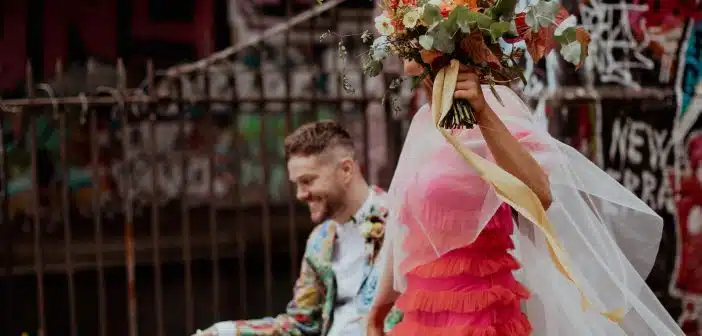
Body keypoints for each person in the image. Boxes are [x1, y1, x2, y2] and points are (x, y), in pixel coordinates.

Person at [366, 59, 685, 335]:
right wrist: (380, 307)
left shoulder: (497, 102)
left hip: (480, 311)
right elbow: (404, 223)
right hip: (423, 310)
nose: (396, 49)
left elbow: (539, 193)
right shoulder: (424, 118)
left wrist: (484, 113)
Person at [193, 120, 401, 336]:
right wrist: (222, 332)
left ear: (346, 170)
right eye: (297, 184)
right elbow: (300, 324)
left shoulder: (399, 221)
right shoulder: (319, 241)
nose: (300, 194)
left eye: (308, 181)